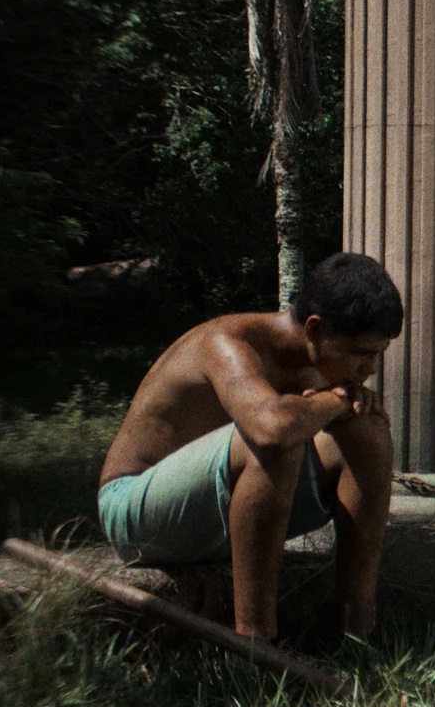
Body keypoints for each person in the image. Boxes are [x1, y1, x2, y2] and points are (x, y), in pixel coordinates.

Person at [97, 252, 404, 642]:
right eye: (362, 352)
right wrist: (336, 401)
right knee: (276, 438)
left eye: (378, 353)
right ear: (315, 330)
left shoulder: (320, 364)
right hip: (133, 515)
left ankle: (353, 633)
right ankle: (255, 646)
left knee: (368, 432)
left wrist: (341, 406)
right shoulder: (226, 342)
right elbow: (271, 429)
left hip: (217, 513)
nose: (371, 367)